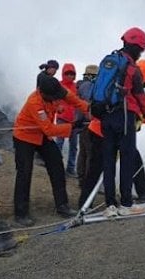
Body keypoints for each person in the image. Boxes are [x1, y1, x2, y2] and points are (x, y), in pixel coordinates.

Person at [77, 59, 145, 208]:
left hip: (103, 130)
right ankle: (86, 202)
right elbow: (139, 112)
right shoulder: (131, 90)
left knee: (132, 160)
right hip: (104, 133)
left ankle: (86, 201)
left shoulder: (121, 84)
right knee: (97, 168)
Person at [12, 75, 89, 226]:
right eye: (54, 98)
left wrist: (88, 108)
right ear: (43, 93)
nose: (57, 98)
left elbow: (73, 99)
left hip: (42, 137)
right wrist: (72, 127)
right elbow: (49, 129)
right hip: (25, 137)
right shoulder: (34, 102)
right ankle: (21, 213)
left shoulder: (57, 89)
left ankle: (62, 205)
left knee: (57, 165)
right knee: (24, 173)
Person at [99, 27, 145, 217]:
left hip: (106, 115)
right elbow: (139, 94)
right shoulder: (132, 68)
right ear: (137, 47)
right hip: (125, 115)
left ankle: (110, 206)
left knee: (109, 161)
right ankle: (127, 204)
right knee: (127, 159)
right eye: (141, 49)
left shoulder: (108, 61)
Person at [74, 64, 98, 187]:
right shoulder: (89, 86)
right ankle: (88, 180)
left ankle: (81, 178)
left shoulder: (81, 86)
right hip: (88, 123)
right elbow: (89, 104)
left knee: (82, 152)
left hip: (80, 123)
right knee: (90, 153)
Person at [55, 63, 80, 177]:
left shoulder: (77, 87)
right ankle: (56, 166)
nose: (70, 76)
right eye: (68, 73)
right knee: (59, 143)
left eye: (72, 74)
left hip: (74, 121)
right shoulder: (58, 85)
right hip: (62, 118)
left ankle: (70, 168)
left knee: (73, 145)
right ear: (63, 74)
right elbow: (53, 100)